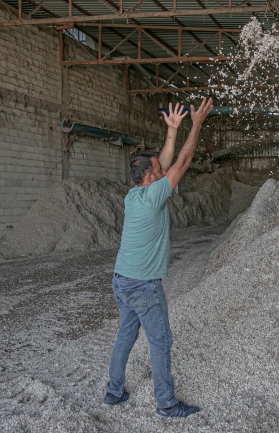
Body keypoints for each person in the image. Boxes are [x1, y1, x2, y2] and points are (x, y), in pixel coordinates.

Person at [101, 97, 213, 418]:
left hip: (121, 280)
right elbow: (182, 160)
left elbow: (163, 162)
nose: (162, 170)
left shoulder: (134, 193)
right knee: (161, 342)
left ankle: (113, 392)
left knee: (125, 335)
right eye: (158, 170)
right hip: (143, 286)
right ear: (152, 177)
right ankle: (166, 403)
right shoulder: (153, 198)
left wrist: (172, 130)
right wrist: (196, 124)